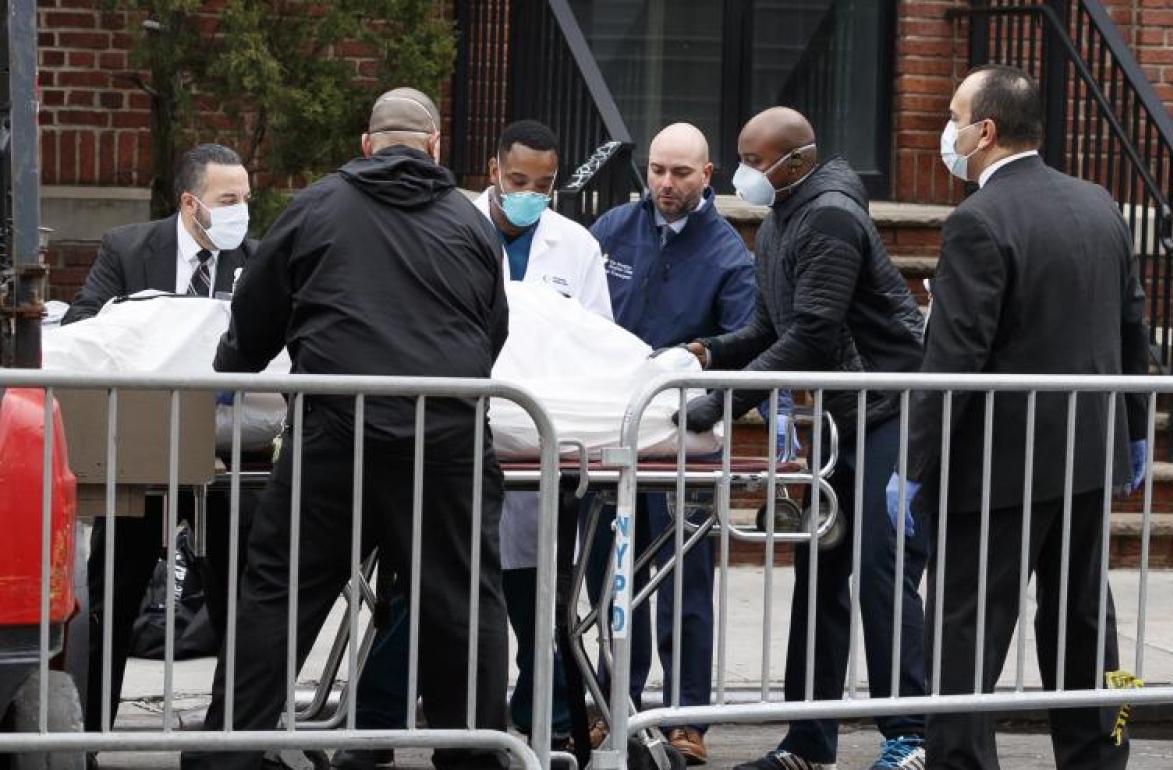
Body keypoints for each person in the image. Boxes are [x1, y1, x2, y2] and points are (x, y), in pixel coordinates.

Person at [180, 87, 511, 770]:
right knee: (460, 602)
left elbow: (256, 315)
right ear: (435, 146)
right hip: (443, 435)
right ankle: (475, 756)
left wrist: (231, 368)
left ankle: (229, 754)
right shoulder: (469, 221)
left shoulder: (317, 207)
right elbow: (491, 330)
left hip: (337, 430)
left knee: (280, 594)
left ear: (366, 145)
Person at [330, 119, 612, 769]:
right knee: (425, 592)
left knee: (537, 601)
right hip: (451, 437)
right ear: (492, 171)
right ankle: (374, 726)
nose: (529, 195)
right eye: (518, 181)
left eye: (543, 185)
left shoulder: (576, 247)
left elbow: (593, 339)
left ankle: (543, 725)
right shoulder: (444, 222)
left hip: (537, 440)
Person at [892, 64, 1148, 770]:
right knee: (1084, 620)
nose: (947, 131)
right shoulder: (1098, 203)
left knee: (966, 629)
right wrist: (1132, 429)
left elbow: (954, 360)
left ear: (985, 131)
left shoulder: (978, 220)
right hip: (1086, 457)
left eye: (953, 117)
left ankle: (961, 763)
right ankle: (1102, 755)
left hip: (996, 470)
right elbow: (1133, 326)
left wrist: (914, 466)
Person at [679, 108, 929, 770]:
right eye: (741, 158)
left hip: (892, 407)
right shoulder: (781, 219)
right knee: (820, 571)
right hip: (848, 415)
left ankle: (912, 734)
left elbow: (813, 334)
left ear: (797, 162)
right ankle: (809, 742)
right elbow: (771, 328)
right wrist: (709, 353)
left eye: (755, 162)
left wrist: (723, 404)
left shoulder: (830, 218)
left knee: (881, 568)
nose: (744, 174)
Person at [62, 143, 257, 736]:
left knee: (238, 598)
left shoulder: (255, 260)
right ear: (191, 203)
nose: (241, 211)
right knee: (114, 592)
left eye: (246, 198)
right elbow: (82, 327)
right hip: (141, 450)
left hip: (223, 455)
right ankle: (91, 734)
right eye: (229, 199)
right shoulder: (128, 248)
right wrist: (156, 324)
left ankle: (234, 736)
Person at [586, 122, 756, 766]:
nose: (664, 183)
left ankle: (687, 719)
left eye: (680, 173)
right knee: (609, 578)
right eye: (657, 169)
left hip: (685, 443)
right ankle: (613, 706)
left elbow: (744, 347)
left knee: (686, 581)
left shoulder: (728, 254)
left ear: (707, 175)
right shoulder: (612, 230)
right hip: (610, 433)